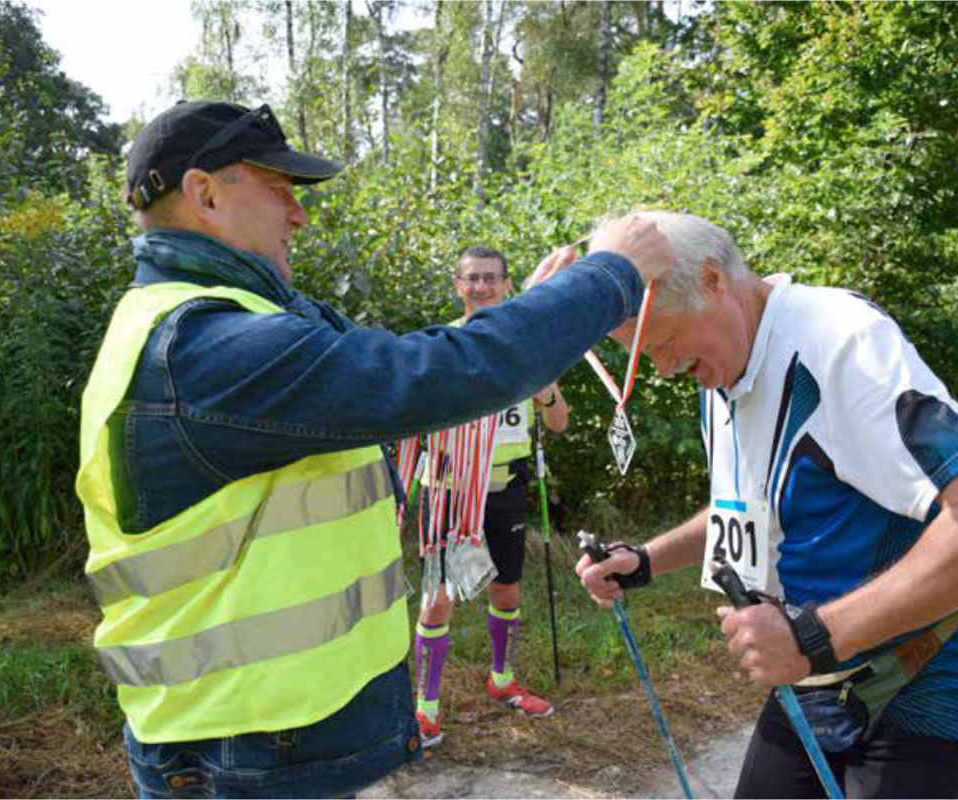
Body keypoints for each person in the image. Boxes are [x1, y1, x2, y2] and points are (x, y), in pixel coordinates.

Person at [74, 100, 673, 799]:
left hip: (262, 730)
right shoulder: (201, 347)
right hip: (248, 746)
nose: (297, 216)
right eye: (279, 191)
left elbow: (383, 376)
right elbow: (422, 376)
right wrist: (609, 277)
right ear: (205, 193)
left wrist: (531, 316)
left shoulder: (209, 325)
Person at [574, 212, 958, 799]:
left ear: (713, 281)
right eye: (646, 357)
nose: (666, 369)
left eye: (666, 344)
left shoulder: (839, 340)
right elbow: (754, 507)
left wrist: (813, 635)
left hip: (931, 671)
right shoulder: (721, 374)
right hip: (819, 669)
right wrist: (646, 560)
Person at [412, 246, 570, 749]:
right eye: (472, 279)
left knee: (506, 592)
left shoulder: (526, 346)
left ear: (507, 286)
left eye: (491, 279)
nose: (481, 287)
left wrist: (544, 387)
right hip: (454, 491)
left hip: (505, 488)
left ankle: (502, 680)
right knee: (439, 603)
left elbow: (558, 421)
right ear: (457, 285)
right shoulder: (445, 343)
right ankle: (425, 710)